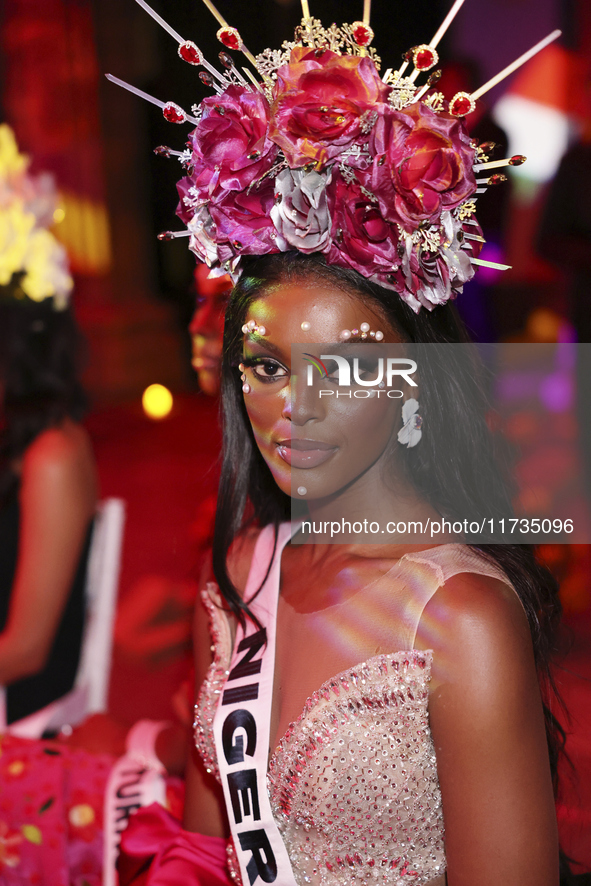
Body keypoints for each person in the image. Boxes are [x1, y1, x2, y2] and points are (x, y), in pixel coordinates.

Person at [111, 7, 566, 884]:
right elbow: (204, 857)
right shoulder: (239, 570)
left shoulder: (460, 617)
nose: (297, 407)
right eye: (268, 365)